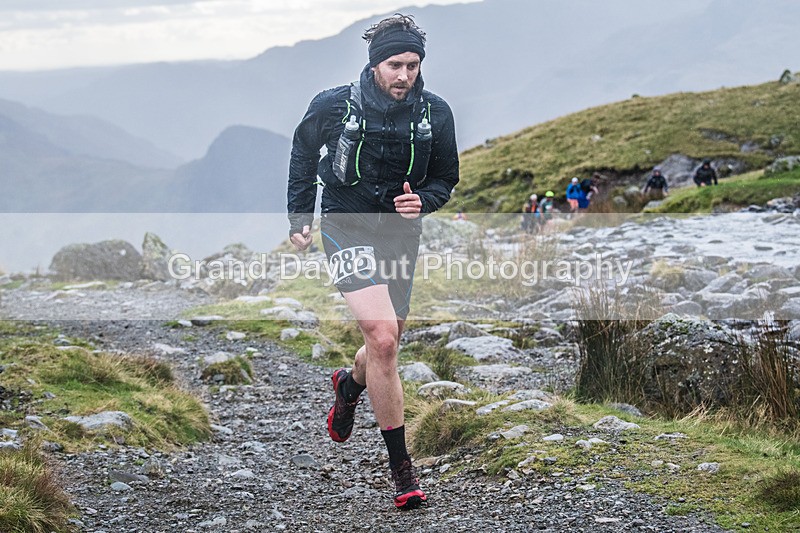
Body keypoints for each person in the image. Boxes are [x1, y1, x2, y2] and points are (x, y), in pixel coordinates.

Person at [286, 14, 458, 510]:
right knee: (383, 338)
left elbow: (447, 177)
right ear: (374, 63)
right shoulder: (334, 105)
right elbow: (303, 152)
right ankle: (402, 469)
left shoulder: (435, 113)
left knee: (384, 347)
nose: (404, 74)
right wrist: (299, 214)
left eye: (412, 64)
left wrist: (424, 200)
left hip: (400, 235)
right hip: (347, 227)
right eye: (394, 64)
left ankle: (349, 383)